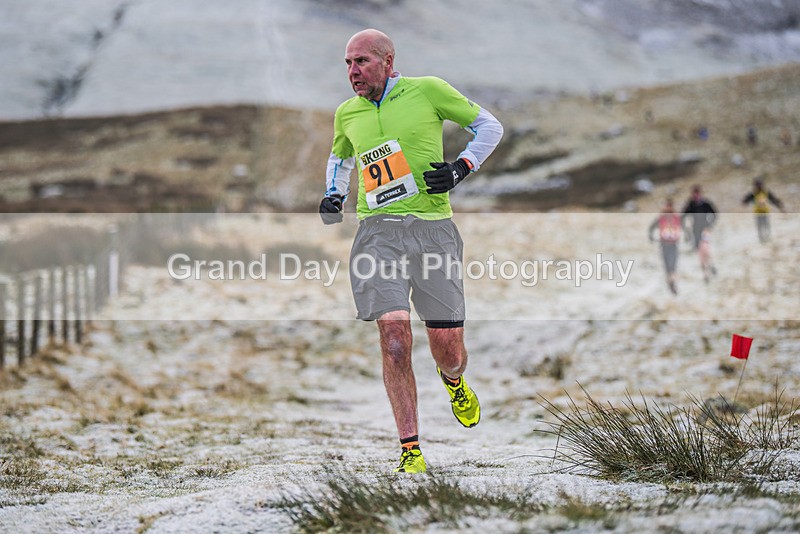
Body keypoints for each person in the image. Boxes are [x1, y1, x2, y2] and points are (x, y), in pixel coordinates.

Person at [318, 29, 503, 473]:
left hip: (433, 231)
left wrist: (461, 167)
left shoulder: (428, 90)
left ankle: (454, 381)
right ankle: (410, 451)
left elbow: (489, 126)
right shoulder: (347, 113)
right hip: (377, 234)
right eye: (347, 63)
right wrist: (333, 194)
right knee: (395, 341)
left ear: (387, 59)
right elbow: (340, 157)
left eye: (361, 61)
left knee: (448, 349)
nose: (353, 72)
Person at [649, 198, 681, 295]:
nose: (668, 208)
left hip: (674, 244)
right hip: (664, 244)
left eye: (669, 205)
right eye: (667, 205)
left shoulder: (676, 218)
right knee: (667, 266)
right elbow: (651, 227)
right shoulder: (661, 218)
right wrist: (651, 237)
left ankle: (672, 283)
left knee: (673, 265)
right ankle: (670, 284)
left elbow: (683, 227)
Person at [742, 177, 784, 243]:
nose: (759, 187)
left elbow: (773, 199)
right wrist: (745, 201)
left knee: (766, 225)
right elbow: (747, 198)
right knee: (760, 226)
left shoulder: (766, 192)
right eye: (757, 185)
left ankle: (767, 237)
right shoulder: (753, 193)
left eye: (760, 185)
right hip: (758, 213)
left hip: (765, 212)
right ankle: (762, 238)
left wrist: (778, 204)